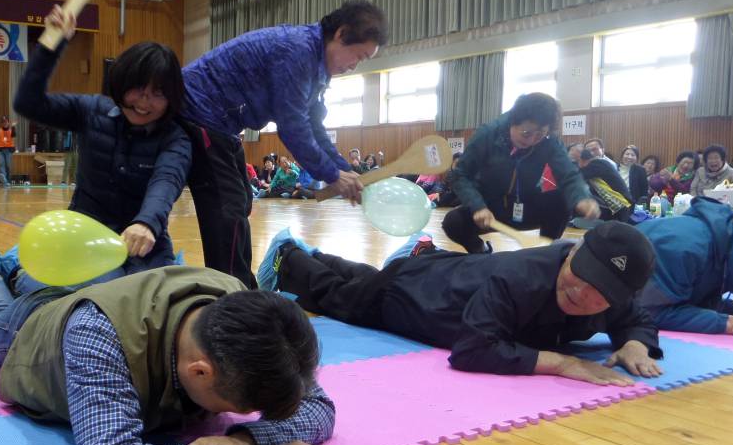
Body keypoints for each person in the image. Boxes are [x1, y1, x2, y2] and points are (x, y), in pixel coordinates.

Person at [0, 248, 336, 445]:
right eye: (242, 410)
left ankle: (25, 274)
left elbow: (319, 407)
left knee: (72, 284)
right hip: (29, 330)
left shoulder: (242, 308)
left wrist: (245, 439)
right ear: (200, 371)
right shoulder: (100, 337)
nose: (246, 415)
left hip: (100, 302)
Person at [257, 222, 661, 384]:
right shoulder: (522, 278)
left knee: (362, 278)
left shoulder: (611, 297)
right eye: (580, 273)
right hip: (413, 295)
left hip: (447, 271)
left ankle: (316, 253)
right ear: (570, 252)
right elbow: (472, 348)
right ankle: (288, 257)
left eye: (600, 292)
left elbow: (635, 318)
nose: (581, 292)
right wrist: (566, 363)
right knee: (340, 299)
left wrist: (635, 343)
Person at [180, 0, 386, 287]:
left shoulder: (317, 67)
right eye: (358, 56)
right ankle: (232, 294)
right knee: (226, 209)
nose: (354, 66)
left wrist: (344, 171)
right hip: (197, 112)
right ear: (341, 34)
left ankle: (239, 286)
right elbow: (292, 126)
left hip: (221, 125)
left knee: (241, 200)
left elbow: (314, 125)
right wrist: (333, 175)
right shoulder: (298, 51)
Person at [9, 5, 191, 285]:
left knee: (152, 300)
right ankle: (0, 271)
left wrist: (146, 222)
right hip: (83, 237)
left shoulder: (175, 138)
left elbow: (167, 180)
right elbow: (27, 103)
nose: (144, 102)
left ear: (170, 99)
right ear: (121, 82)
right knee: (59, 291)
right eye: (138, 90)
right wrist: (50, 46)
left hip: (143, 243)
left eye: (157, 94)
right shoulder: (92, 110)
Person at [443, 93, 599, 254]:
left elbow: (568, 174)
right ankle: (480, 250)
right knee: (453, 223)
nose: (531, 140)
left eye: (539, 135)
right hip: (489, 208)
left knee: (561, 200)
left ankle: (546, 255)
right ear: (513, 121)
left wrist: (581, 198)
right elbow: (460, 175)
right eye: (526, 133)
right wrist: (477, 206)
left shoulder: (549, 140)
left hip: (525, 205)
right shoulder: (487, 134)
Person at [637, 196, 733, 339]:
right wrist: (731, 323)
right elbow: (646, 312)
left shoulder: (721, 244)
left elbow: (693, 297)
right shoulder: (686, 247)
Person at [577, 149, 633, 223]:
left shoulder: (596, 164)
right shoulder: (599, 163)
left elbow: (575, 177)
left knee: (617, 232)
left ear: (581, 160)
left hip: (622, 203)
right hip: (619, 205)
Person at [0, 115, 17, 185]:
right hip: (0, 150)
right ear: (1, 123)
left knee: (8, 165)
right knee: (1, 164)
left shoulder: (11, 130)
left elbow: (14, 134)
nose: (5, 123)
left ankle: (8, 180)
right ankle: (4, 180)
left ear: (8, 122)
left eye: (6, 122)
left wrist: (13, 126)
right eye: (3, 122)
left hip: (9, 150)